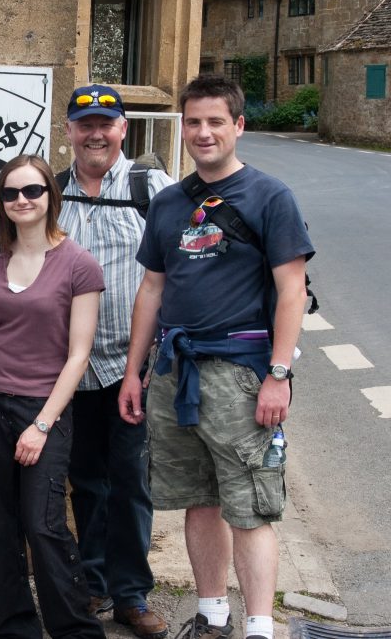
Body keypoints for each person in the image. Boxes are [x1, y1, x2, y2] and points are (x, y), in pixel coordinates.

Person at [118, 74, 313, 639]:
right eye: (194, 122)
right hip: (175, 371)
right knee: (197, 501)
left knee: (250, 503)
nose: (203, 133)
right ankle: (211, 614)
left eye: (215, 122)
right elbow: (152, 290)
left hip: (241, 373)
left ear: (238, 127)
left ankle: (258, 626)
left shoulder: (269, 196)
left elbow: (292, 290)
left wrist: (279, 374)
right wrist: (135, 371)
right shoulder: (168, 202)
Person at [0, 154, 106, 639]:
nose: (21, 200)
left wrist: (41, 425)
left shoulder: (78, 263)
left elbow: (78, 355)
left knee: (43, 524)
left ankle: (75, 628)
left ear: (49, 197)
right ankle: (14, 626)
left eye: (32, 191)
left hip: (43, 406)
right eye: (10, 193)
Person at [57, 85, 171, 637]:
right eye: (85, 124)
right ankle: (94, 583)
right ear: (70, 131)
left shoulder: (154, 190)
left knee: (130, 480)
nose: (95, 133)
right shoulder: (52, 191)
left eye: (106, 123)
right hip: (69, 369)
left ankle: (132, 593)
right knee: (84, 479)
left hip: (134, 367)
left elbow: (178, 269)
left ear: (123, 128)